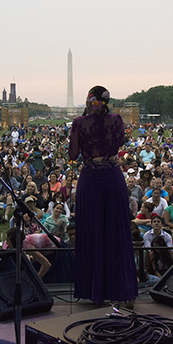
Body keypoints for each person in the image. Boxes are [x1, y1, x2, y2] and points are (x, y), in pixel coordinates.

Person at [67, 86, 137, 305]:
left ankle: (96, 293)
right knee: (118, 232)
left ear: (90, 101)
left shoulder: (80, 123)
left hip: (91, 178)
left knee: (92, 232)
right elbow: (120, 142)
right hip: (113, 177)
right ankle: (124, 291)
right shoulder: (116, 120)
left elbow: (72, 154)